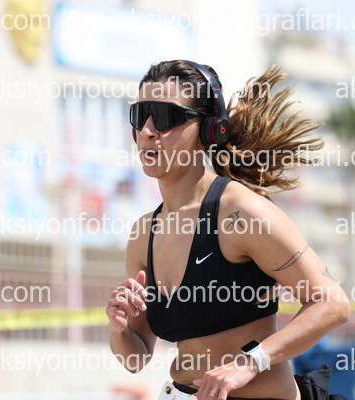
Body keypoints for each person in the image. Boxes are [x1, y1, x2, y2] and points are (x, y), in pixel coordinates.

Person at [106, 60, 351, 400]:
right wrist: (118, 327)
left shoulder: (243, 213)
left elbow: (333, 303)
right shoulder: (143, 233)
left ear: (209, 129)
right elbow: (136, 358)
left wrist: (250, 363)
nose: (148, 130)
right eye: (140, 115)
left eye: (164, 117)